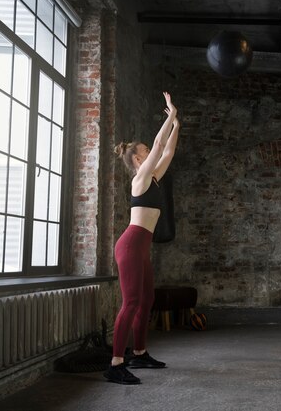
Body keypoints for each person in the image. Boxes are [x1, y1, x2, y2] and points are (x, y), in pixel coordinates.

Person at [104, 92, 180, 385]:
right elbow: (159, 145)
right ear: (138, 158)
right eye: (147, 151)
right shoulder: (139, 179)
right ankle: (116, 363)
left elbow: (168, 152)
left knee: (146, 299)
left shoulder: (153, 178)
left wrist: (177, 127)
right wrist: (170, 114)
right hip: (131, 246)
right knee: (132, 301)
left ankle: (139, 352)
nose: (152, 152)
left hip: (141, 248)